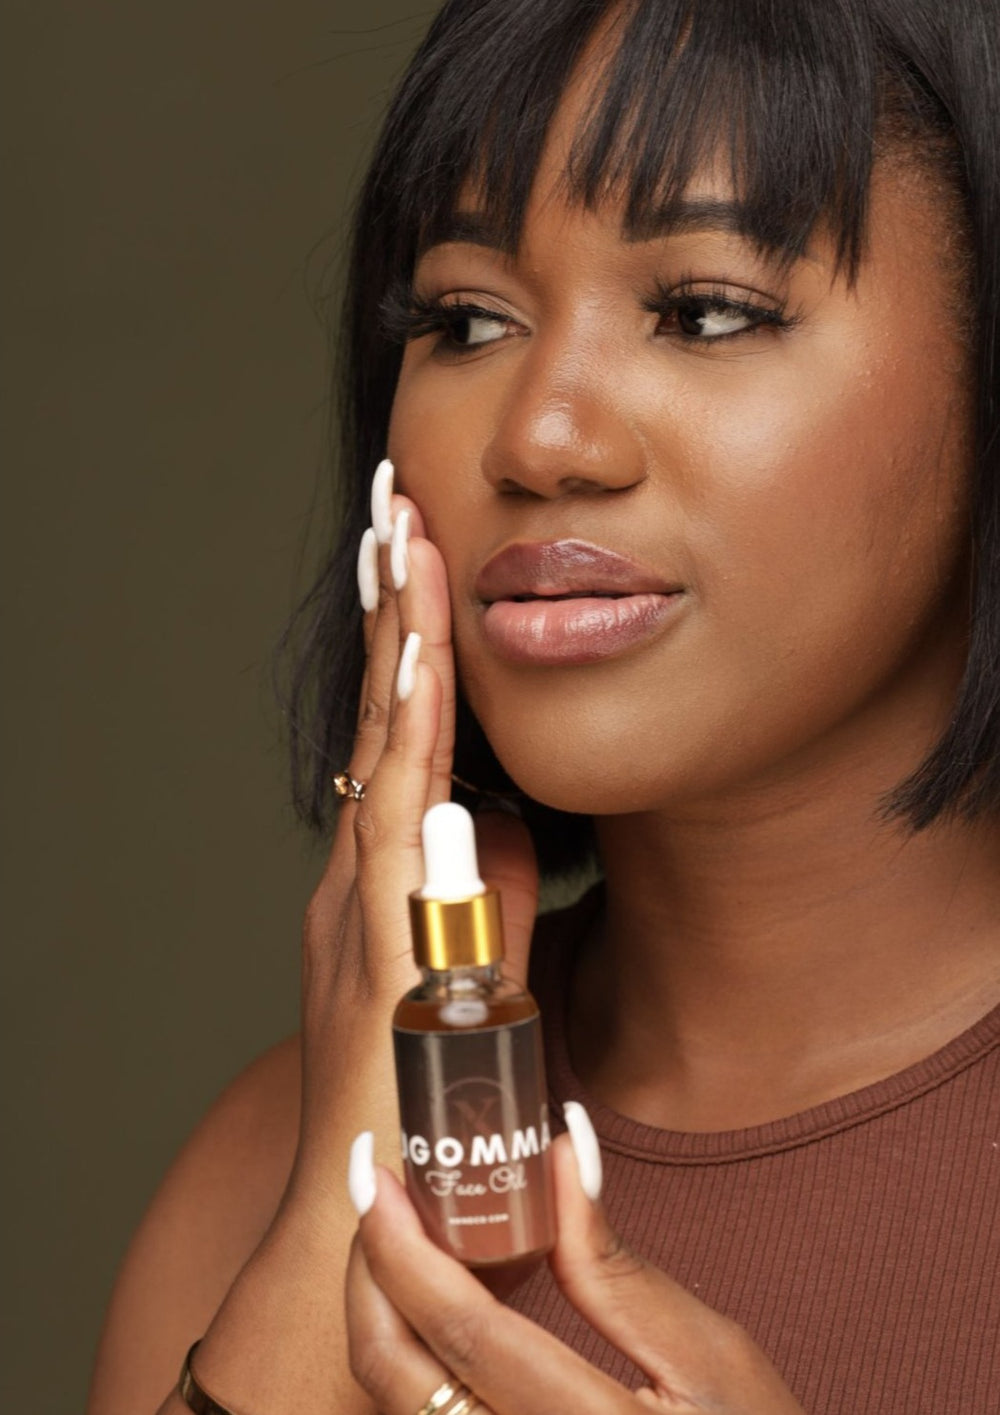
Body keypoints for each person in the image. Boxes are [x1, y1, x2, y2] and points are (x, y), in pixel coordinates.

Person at [87, 1, 1000, 1411]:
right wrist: (330, 1236)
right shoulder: (269, 1162)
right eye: (464, 319)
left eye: (704, 311)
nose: (537, 435)